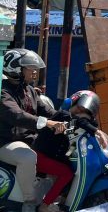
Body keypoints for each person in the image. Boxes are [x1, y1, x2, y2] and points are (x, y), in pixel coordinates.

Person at [0, 49, 66, 212]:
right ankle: (29, 201)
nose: (34, 70)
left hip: (30, 141)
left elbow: (50, 112)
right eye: (29, 67)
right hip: (7, 142)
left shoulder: (29, 90)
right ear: (16, 69)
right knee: (27, 157)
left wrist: (78, 116)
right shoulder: (3, 92)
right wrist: (47, 123)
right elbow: (17, 116)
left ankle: (53, 199)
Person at [34, 91, 102, 211]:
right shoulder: (62, 116)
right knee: (67, 173)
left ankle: (61, 200)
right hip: (41, 156)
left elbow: (88, 123)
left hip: (54, 157)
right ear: (72, 104)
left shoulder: (79, 121)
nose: (81, 112)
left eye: (87, 110)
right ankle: (45, 206)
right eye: (79, 107)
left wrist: (91, 124)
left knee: (72, 167)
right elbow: (78, 121)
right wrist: (96, 130)